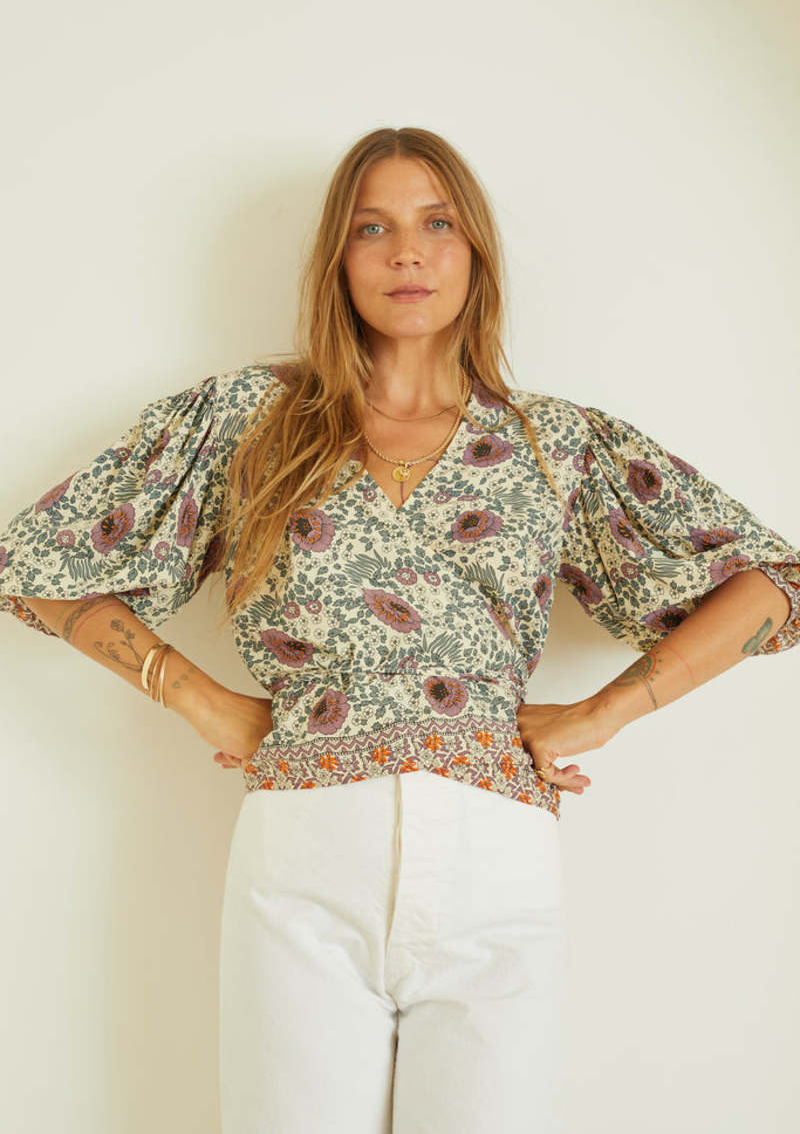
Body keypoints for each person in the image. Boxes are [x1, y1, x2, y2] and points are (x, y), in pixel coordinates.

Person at [1, 126, 798, 1134]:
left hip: (496, 860)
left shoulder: (552, 441)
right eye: (371, 228)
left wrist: (602, 712)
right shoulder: (251, 419)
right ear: (337, 257)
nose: (407, 253)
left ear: (476, 252)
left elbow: (770, 584)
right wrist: (196, 696)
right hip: (302, 859)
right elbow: (35, 563)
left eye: (436, 224)